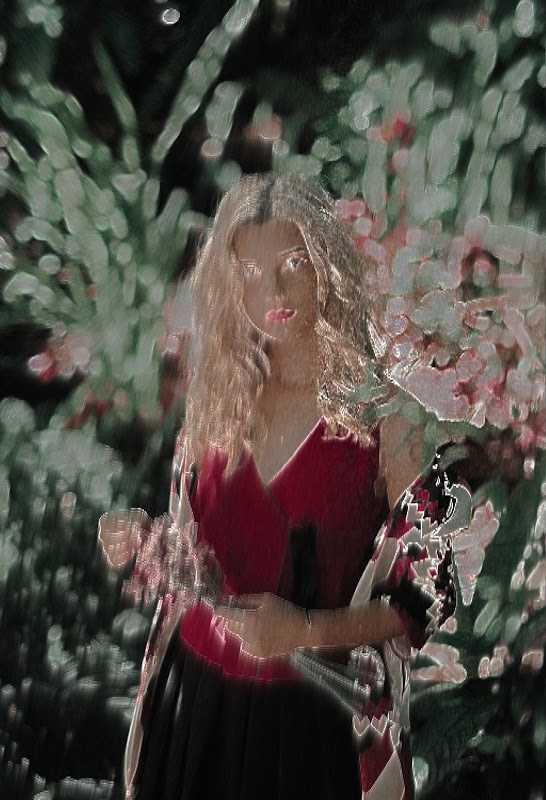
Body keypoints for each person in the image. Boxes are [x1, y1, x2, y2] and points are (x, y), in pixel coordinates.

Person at [99, 173, 470, 800]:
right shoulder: (215, 404)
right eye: (249, 271)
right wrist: (143, 540)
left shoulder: (389, 421)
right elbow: (201, 557)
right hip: (192, 712)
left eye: (294, 262)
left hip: (314, 731)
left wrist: (304, 630)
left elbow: (429, 598)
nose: (271, 290)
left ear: (328, 264)